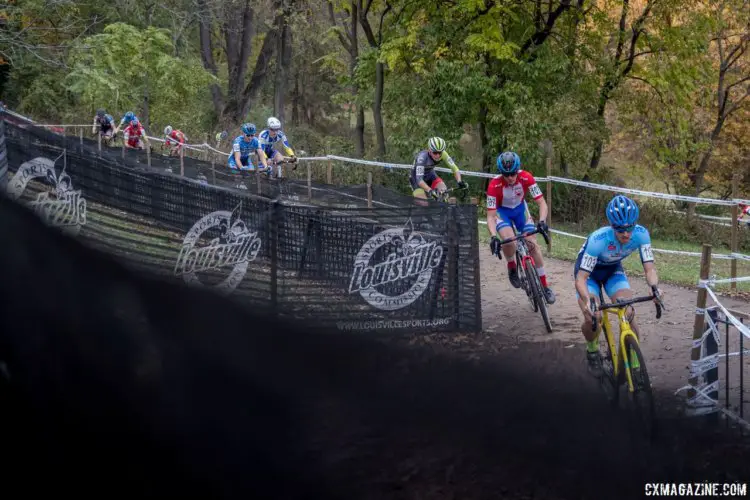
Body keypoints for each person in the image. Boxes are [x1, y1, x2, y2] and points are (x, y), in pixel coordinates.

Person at [573, 195, 662, 376]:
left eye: (629, 228)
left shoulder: (642, 234)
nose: (626, 234)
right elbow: (581, 279)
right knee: (594, 318)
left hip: (613, 270)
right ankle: (592, 350)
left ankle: (635, 367)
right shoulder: (598, 240)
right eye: (620, 229)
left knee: (629, 313)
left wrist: (655, 289)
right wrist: (587, 301)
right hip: (588, 275)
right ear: (612, 225)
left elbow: (649, 269)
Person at [487, 152, 555, 304]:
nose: (510, 177)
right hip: (502, 212)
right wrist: (493, 236)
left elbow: (542, 203)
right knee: (509, 240)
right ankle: (512, 265)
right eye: (506, 174)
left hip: (520, 211)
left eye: (512, 174)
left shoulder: (526, 177)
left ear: (517, 170)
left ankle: (545, 286)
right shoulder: (494, 185)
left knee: (532, 243)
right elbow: (491, 216)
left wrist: (542, 221)